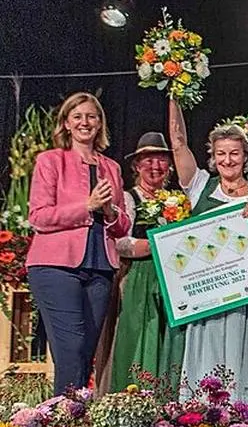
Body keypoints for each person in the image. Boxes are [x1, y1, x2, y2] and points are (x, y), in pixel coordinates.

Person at [169, 98, 248, 404]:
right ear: (213, 158)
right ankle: (202, 412)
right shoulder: (201, 186)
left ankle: (245, 412)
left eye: (234, 153)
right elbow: (178, 143)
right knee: (207, 352)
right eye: (221, 154)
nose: (227, 160)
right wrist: (174, 92)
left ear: (246, 157)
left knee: (247, 352)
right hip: (208, 295)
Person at [26, 92, 131, 394]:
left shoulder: (111, 167)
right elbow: (39, 216)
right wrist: (87, 206)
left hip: (100, 267)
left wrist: (109, 211)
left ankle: (75, 414)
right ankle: (63, 416)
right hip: (55, 267)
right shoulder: (50, 161)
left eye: (91, 116)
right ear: (66, 124)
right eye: (78, 116)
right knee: (70, 347)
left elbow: (122, 225)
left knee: (86, 351)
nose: (85, 122)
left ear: (100, 124)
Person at [101, 132, 186, 393]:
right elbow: (118, 241)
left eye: (161, 160)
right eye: (148, 160)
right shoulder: (129, 199)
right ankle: (132, 395)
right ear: (137, 166)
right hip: (138, 275)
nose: (155, 166)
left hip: (170, 279)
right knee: (137, 335)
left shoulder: (177, 201)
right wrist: (154, 245)